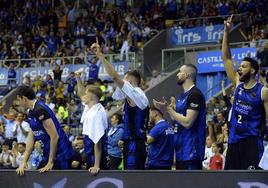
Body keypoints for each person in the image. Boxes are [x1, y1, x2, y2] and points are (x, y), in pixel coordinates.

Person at [91, 40, 149, 169]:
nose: (121, 79)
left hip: (135, 143)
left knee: (132, 180)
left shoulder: (134, 92)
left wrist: (100, 55)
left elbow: (114, 77)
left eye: (124, 77)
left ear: (128, 80)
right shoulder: (137, 95)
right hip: (135, 142)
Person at [222, 15, 268, 169]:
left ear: (253, 70)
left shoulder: (263, 91)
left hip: (252, 142)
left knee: (250, 181)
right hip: (234, 141)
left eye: (244, 66)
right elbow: (227, 58)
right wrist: (226, 31)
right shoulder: (238, 83)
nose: (239, 68)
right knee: (230, 181)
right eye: (240, 66)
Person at [153, 64, 206, 170]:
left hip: (191, 151)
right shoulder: (182, 96)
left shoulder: (195, 95)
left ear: (187, 75)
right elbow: (177, 120)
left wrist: (169, 109)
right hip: (180, 151)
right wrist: (167, 109)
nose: (177, 74)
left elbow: (188, 122)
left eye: (180, 71)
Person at [15, 85, 74, 175]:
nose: (18, 103)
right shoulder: (31, 112)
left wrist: (50, 162)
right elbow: (30, 139)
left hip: (61, 154)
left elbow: (54, 136)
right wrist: (23, 162)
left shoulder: (39, 110)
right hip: (48, 153)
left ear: (24, 98)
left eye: (19, 100)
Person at [75, 72, 108, 175]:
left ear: (93, 96)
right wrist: (78, 78)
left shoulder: (97, 114)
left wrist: (96, 165)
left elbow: (97, 141)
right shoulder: (90, 107)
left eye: (87, 94)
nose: (84, 96)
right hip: (91, 154)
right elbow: (81, 94)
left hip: (97, 157)